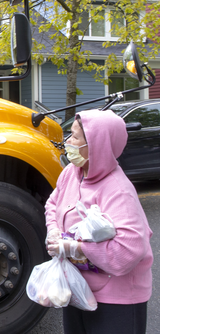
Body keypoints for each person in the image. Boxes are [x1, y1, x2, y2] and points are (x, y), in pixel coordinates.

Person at [45, 109, 153, 334]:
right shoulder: (72, 173)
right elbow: (53, 204)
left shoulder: (118, 190)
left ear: (96, 145)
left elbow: (129, 250)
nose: (68, 142)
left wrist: (75, 248)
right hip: (78, 287)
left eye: (75, 137)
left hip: (117, 299)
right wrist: (54, 230)